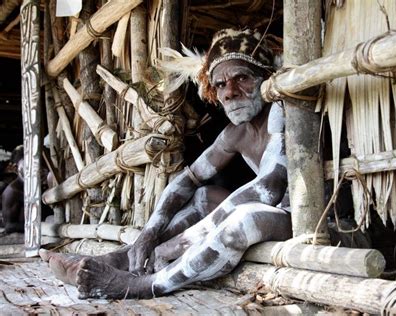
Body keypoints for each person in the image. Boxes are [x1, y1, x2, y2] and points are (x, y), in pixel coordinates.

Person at [41, 28, 292, 299]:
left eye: (241, 78)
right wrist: (150, 232)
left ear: (266, 78)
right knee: (203, 195)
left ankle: (144, 285)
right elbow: (190, 178)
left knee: (244, 218)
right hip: (271, 215)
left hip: (300, 221)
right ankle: (122, 259)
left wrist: (180, 243)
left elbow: (270, 187)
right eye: (219, 84)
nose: (229, 92)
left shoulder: (284, 112)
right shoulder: (235, 133)